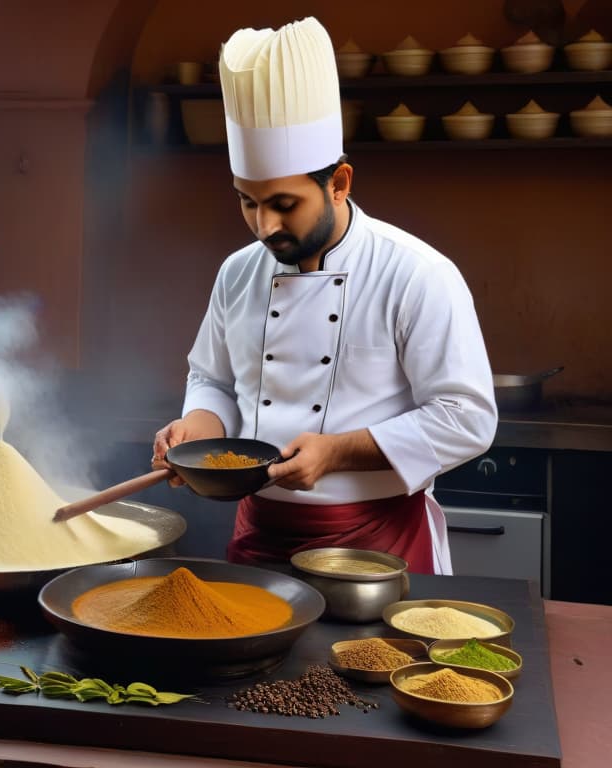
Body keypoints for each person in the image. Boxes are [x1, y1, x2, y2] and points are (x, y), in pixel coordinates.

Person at [151, 17, 497, 575]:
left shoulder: (415, 273)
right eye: (247, 202)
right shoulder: (238, 273)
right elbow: (212, 379)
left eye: (284, 205)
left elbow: (468, 419)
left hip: (375, 549)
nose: (262, 226)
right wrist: (199, 427)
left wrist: (338, 451)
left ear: (339, 183)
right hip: (259, 536)